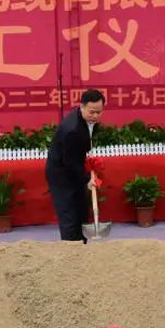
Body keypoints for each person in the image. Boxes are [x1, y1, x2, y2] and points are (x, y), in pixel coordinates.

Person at [46, 90, 104, 242]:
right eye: (92, 112)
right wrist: (87, 179)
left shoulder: (88, 121)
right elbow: (70, 163)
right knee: (69, 214)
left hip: (75, 166)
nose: (95, 116)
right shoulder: (72, 130)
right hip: (61, 173)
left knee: (81, 210)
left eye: (99, 112)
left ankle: (82, 244)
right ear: (82, 107)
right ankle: (71, 248)